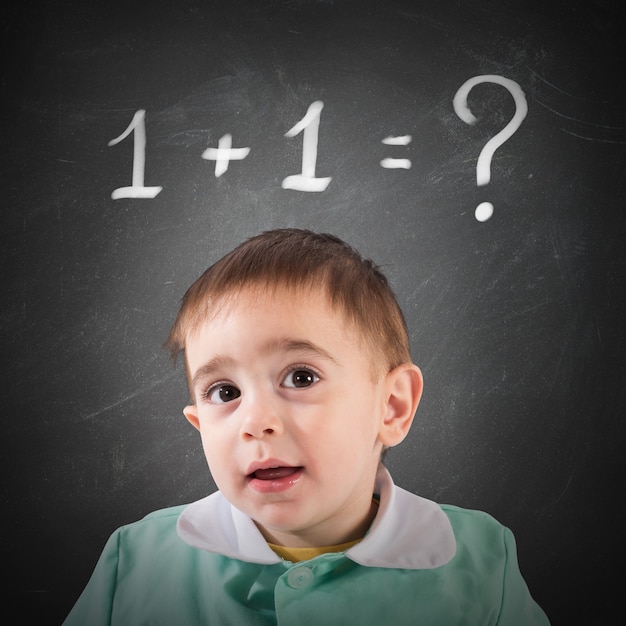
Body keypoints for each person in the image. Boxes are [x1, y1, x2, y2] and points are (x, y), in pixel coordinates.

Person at [63, 228, 550, 625]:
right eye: (225, 392)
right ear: (198, 423)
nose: (255, 423)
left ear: (392, 407)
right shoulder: (139, 560)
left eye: (300, 377)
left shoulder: (480, 562)